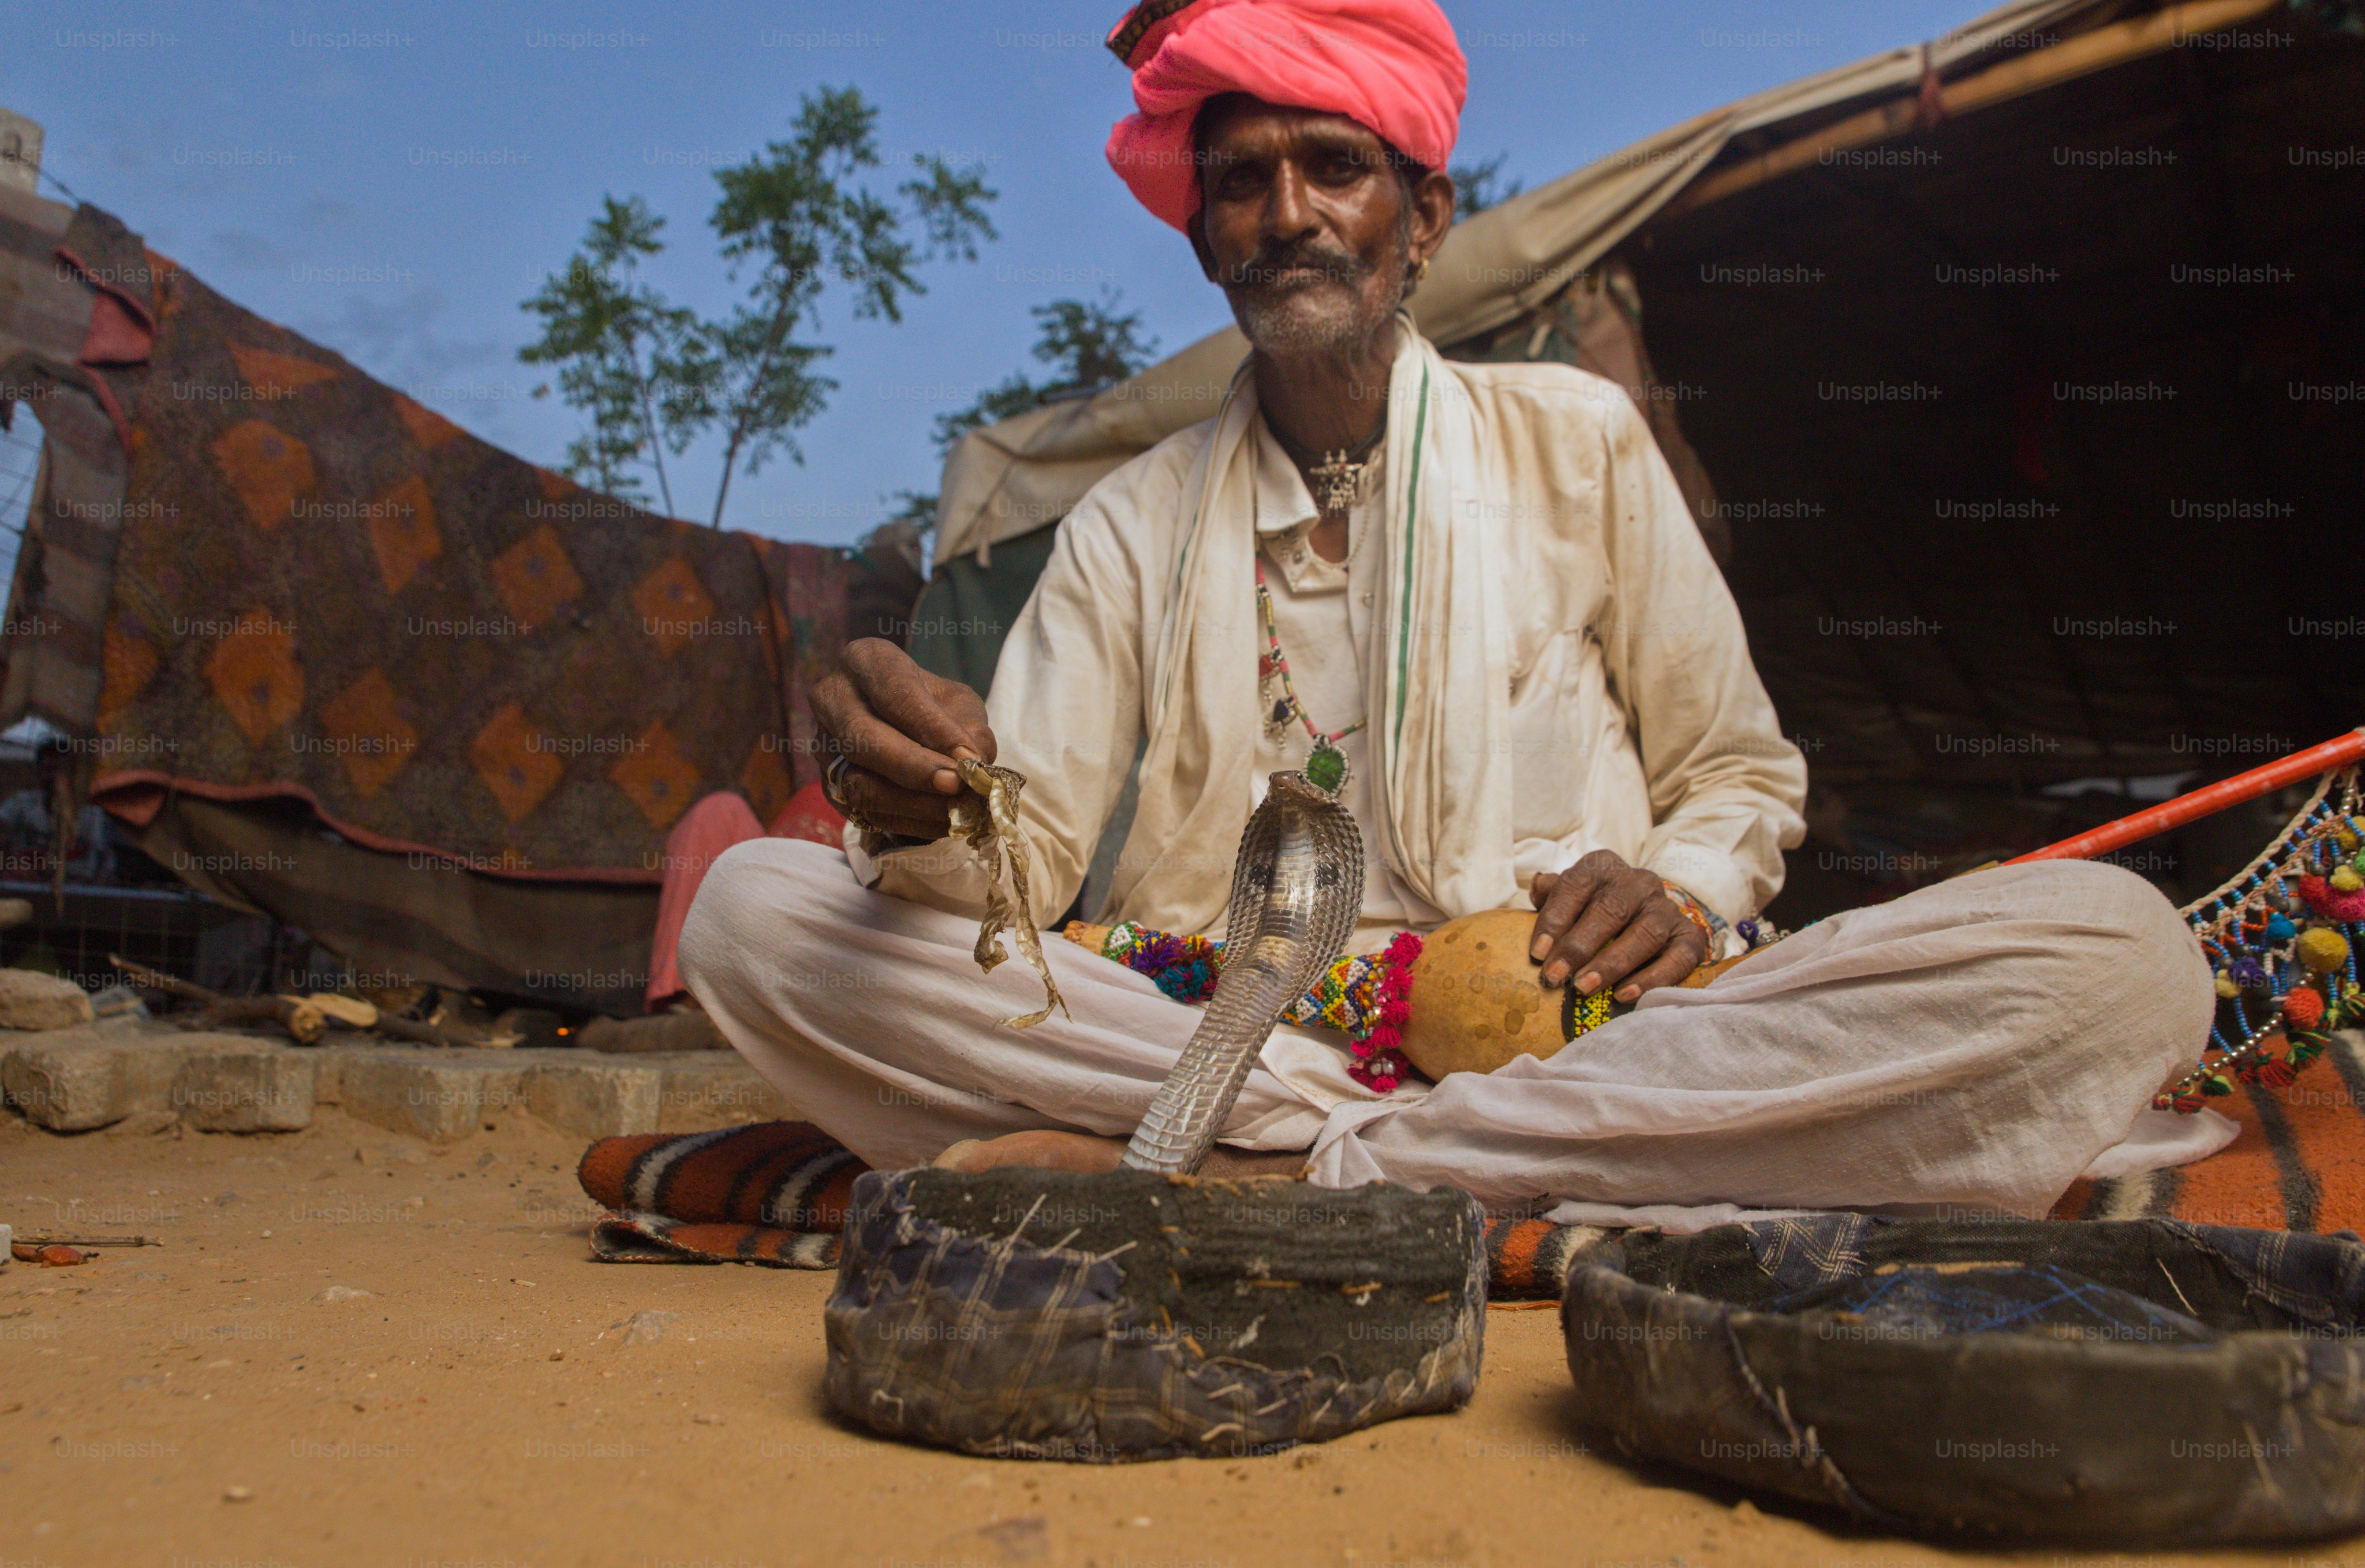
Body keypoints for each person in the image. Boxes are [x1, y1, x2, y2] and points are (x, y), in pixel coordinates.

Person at [676, 0, 2228, 1228]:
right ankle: (1407, 1166)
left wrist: (1680, 894)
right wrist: (921, 809)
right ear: (1206, 236)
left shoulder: (1576, 442)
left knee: (2120, 951)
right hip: (1210, 1033)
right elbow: (1022, 864)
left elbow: (1740, 779)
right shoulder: (1123, 523)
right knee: (758, 910)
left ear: (1420, 219)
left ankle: (1273, 1182)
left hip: (1590, 1044)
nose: (1286, 213)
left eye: (1332, 167)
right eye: (1241, 179)